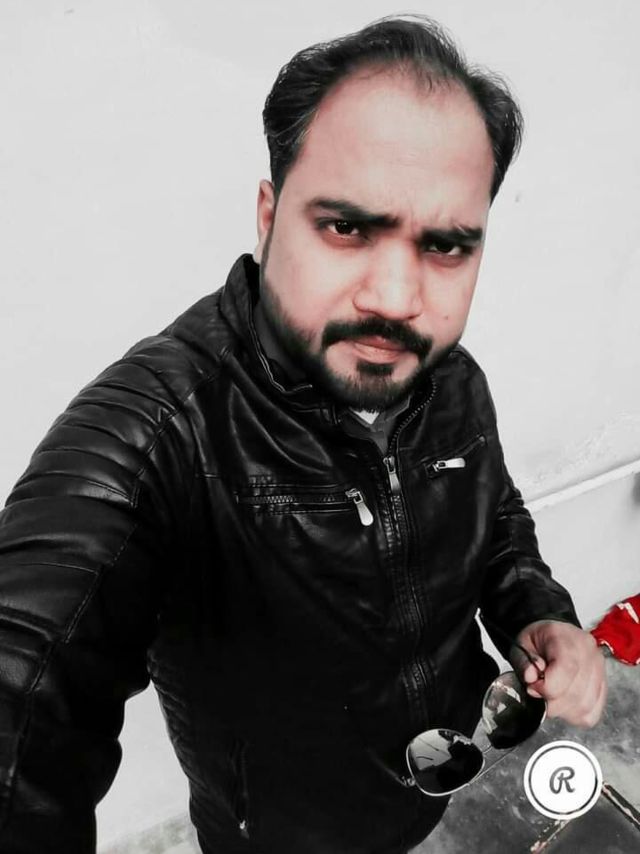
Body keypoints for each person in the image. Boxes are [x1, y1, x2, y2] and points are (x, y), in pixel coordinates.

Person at [0, 15, 607, 854]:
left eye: (445, 246)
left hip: (431, 784)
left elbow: (491, 511)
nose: (396, 298)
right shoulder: (157, 434)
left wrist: (538, 612)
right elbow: (27, 684)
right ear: (268, 214)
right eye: (347, 227)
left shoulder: (452, 378)